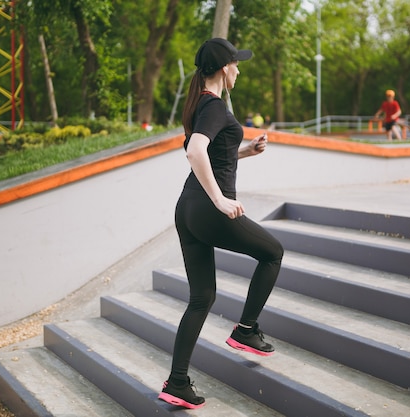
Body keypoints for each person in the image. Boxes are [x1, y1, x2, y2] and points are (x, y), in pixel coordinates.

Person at [158, 38, 284, 409]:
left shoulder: (200, 104)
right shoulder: (214, 106)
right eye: (236, 64)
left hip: (186, 209)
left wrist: (245, 150)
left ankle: (177, 382)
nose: (239, 70)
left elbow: (211, 154)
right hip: (207, 208)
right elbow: (195, 151)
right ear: (224, 67)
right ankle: (246, 330)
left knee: (201, 298)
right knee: (273, 252)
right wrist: (220, 199)